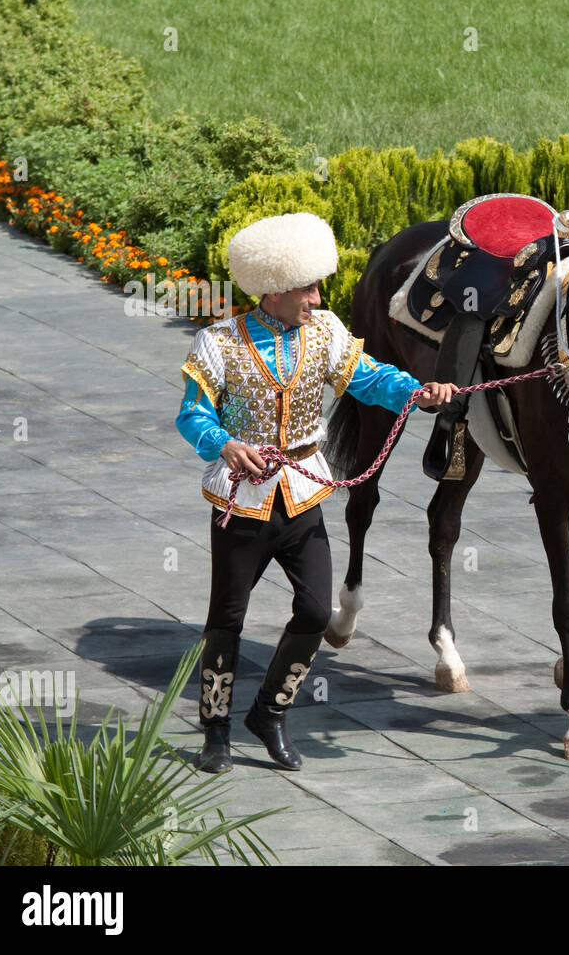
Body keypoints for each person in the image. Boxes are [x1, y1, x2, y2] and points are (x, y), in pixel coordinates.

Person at [177, 212, 456, 773]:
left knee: (313, 611)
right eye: (308, 287)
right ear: (275, 290)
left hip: (303, 495)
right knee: (226, 618)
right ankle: (216, 730)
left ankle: (270, 714)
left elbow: (371, 377)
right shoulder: (218, 344)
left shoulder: (325, 332)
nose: (317, 295)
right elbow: (191, 415)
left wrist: (416, 390)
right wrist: (224, 444)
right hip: (243, 503)